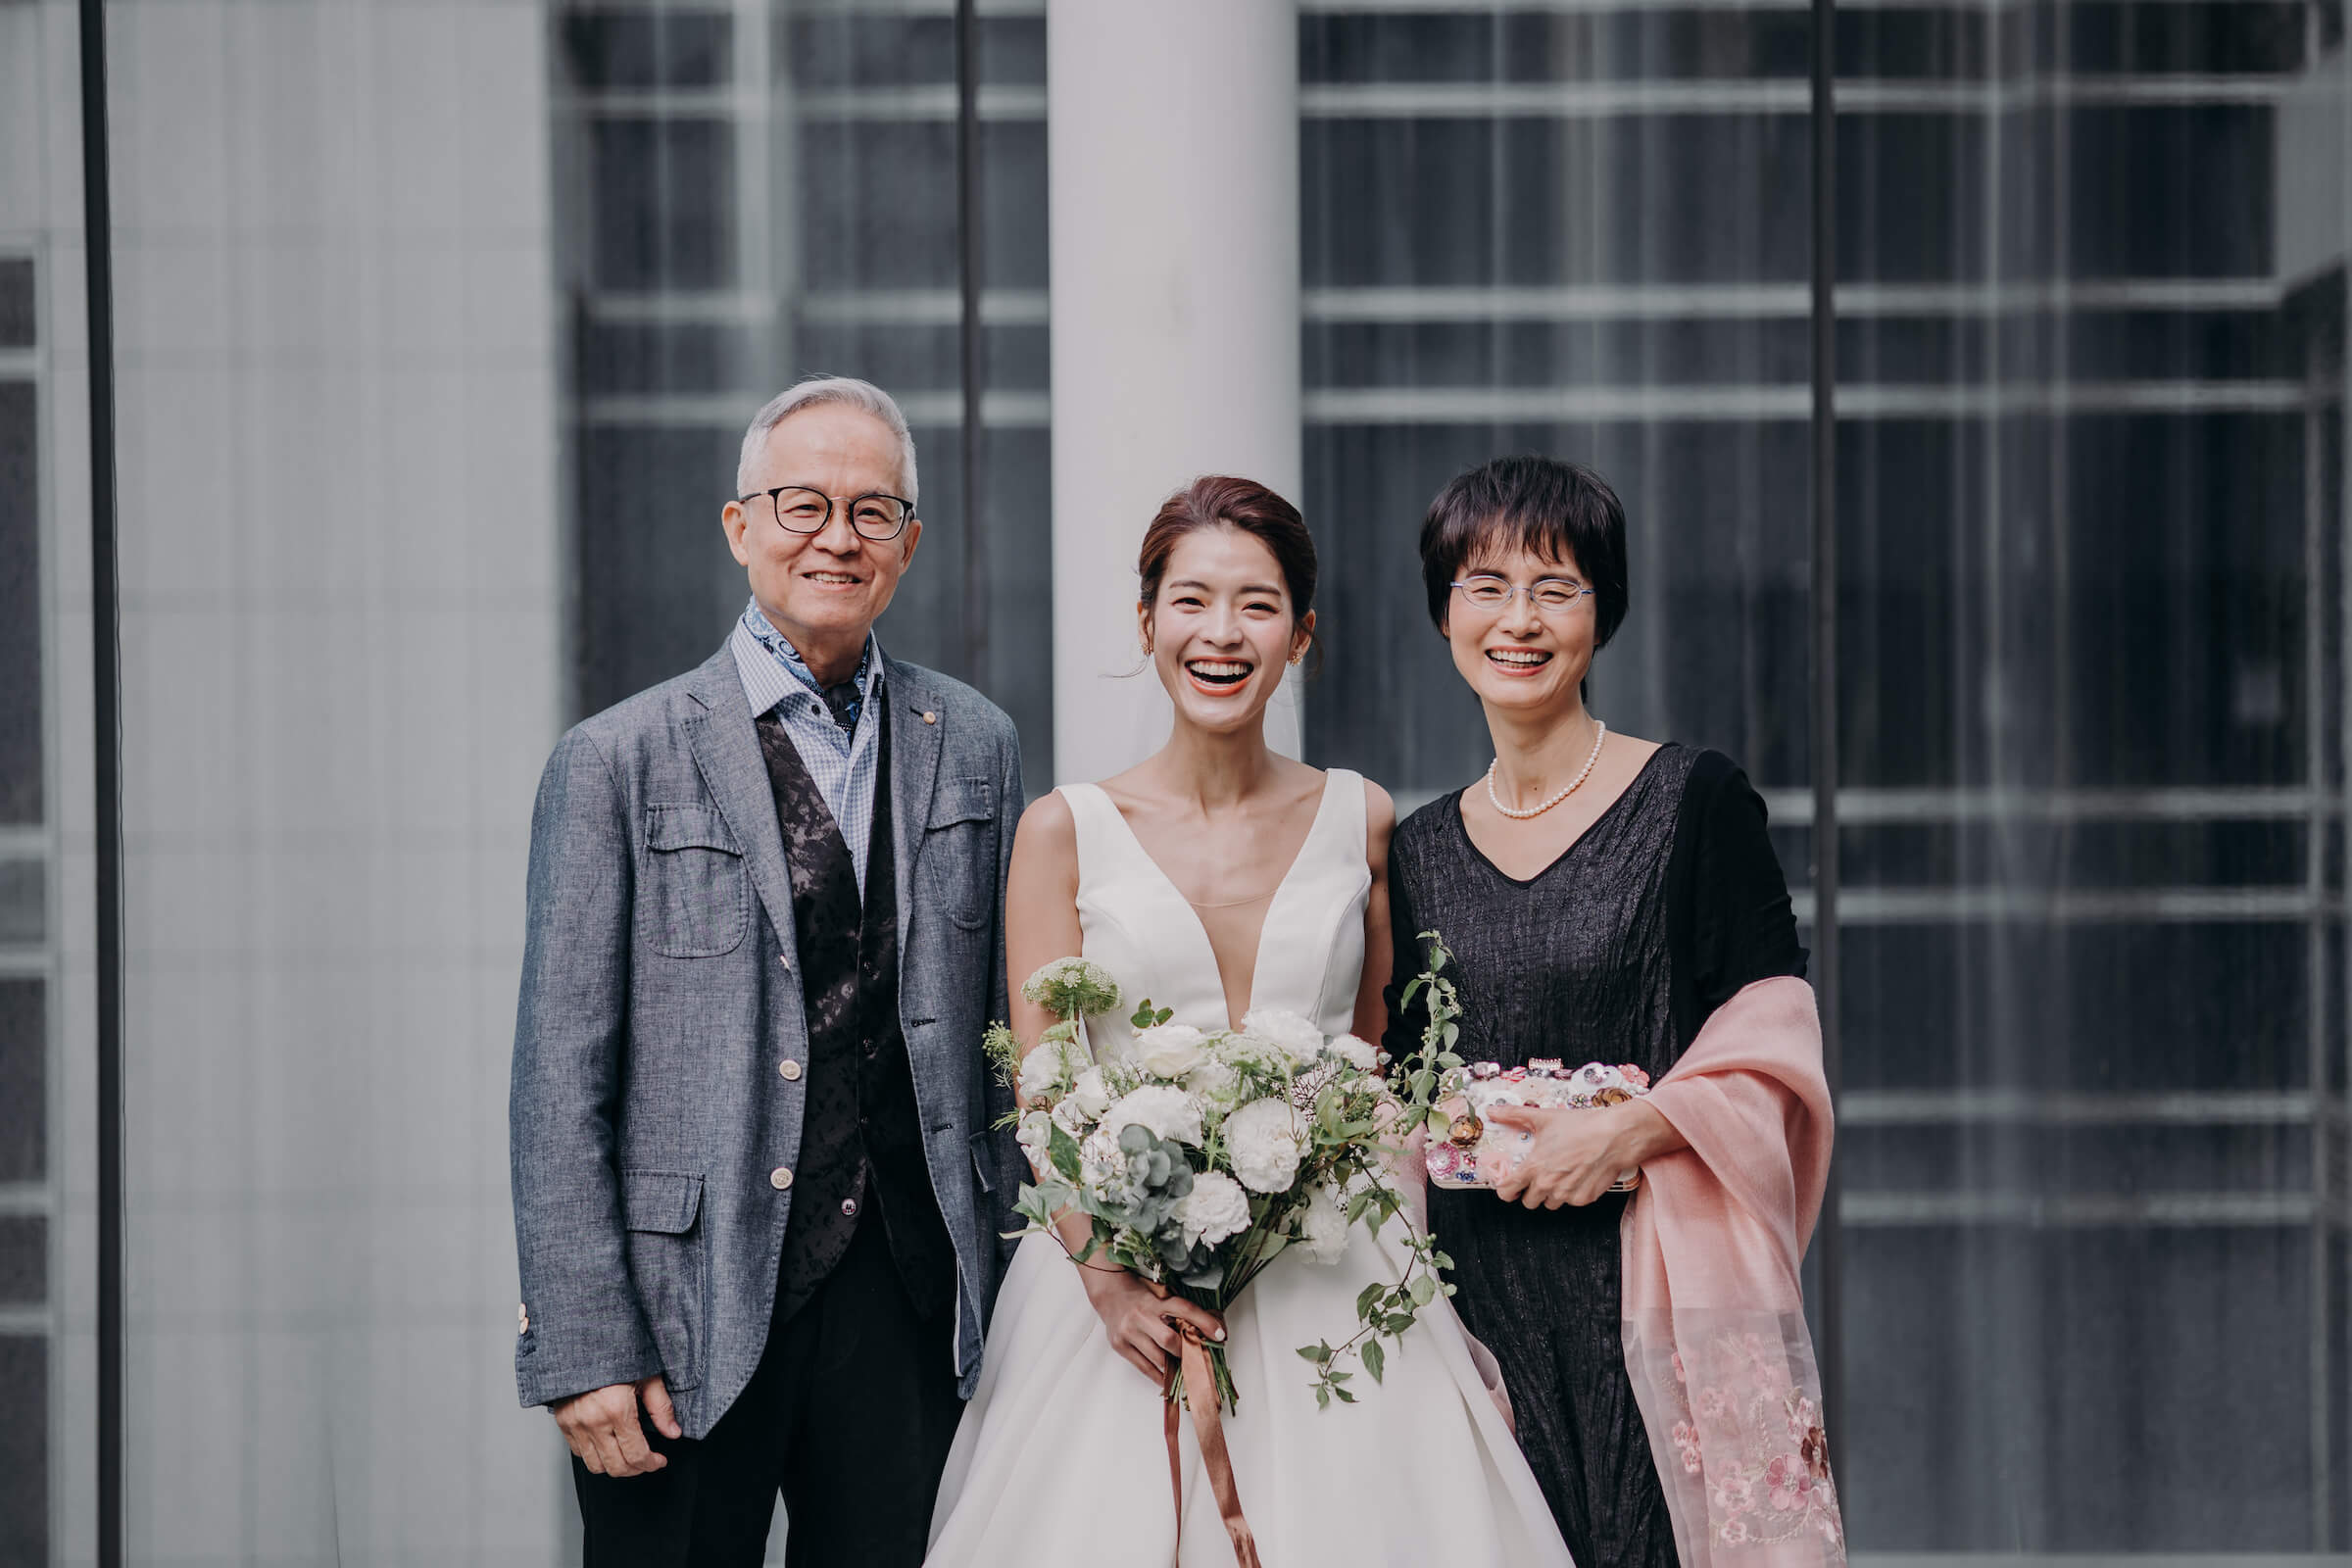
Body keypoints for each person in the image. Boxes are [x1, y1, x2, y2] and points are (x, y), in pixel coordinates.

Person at [925, 476, 1572, 1567]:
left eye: (1257, 605)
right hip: (1123, 1286)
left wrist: (1418, 1280)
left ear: (1301, 635)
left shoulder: (1360, 818)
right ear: (1146, 623)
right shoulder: (1064, 830)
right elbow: (1041, 1088)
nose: (1221, 633)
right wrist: (1105, 1279)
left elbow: (1370, 1072)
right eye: (1191, 601)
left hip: (1333, 1267)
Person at [509, 376, 1028, 1566]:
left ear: (908, 543)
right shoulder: (616, 760)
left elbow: (1001, 1040)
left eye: (871, 511)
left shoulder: (977, 745)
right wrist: (584, 1342)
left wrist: (1018, 1284)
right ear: (740, 526)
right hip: (681, 1311)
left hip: (911, 1298)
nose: (837, 537)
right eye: (803, 505)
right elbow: (557, 1078)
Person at [1381, 456, 1843, 1566]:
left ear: (1604, 611)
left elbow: (1774, 1032)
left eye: (1557, 587)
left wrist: (1629, 1131)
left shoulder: (1696, 800)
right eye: (1486, 586)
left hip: (1650, 1294)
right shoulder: (1417, 849)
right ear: (1445, 612)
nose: (1520, 620)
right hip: (1479, 1301)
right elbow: (1401, 1076)